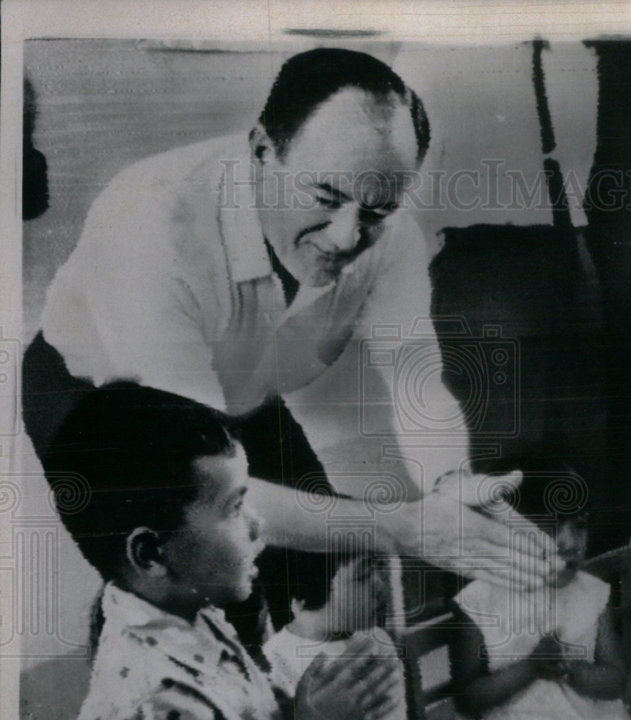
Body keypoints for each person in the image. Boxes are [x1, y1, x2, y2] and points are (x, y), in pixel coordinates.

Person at [24, 47, 556, 597]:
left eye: (375, 212)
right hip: (101, 406)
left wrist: (453, 486)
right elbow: (191, 473)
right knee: (202, 594)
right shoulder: (149, 226)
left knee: (332, 588)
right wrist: (403, 527)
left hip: (239, 394)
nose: (346, 237)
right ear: (261, 151)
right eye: (325, 197)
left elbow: (415, 380)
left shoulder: (392, 237)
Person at [45, 382, 399, 720]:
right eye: (234, 508)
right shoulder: (159, 697)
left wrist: (297, 710)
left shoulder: (186, 611)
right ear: (152, 554)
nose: (258, 525)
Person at [446, 461, 631, 720]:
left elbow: (614, 679)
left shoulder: (591, 593)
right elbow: (469, 696)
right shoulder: (479, 602)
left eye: (579, 525)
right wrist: (530, 667)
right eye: (550, 528)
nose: (569, 542)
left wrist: (572, 670)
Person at [263, 549, 410, 720]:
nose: (381, 586)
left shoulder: (378, 641)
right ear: (315, 582)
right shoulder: (275, 667)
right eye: (364, 575)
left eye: (379, 572)